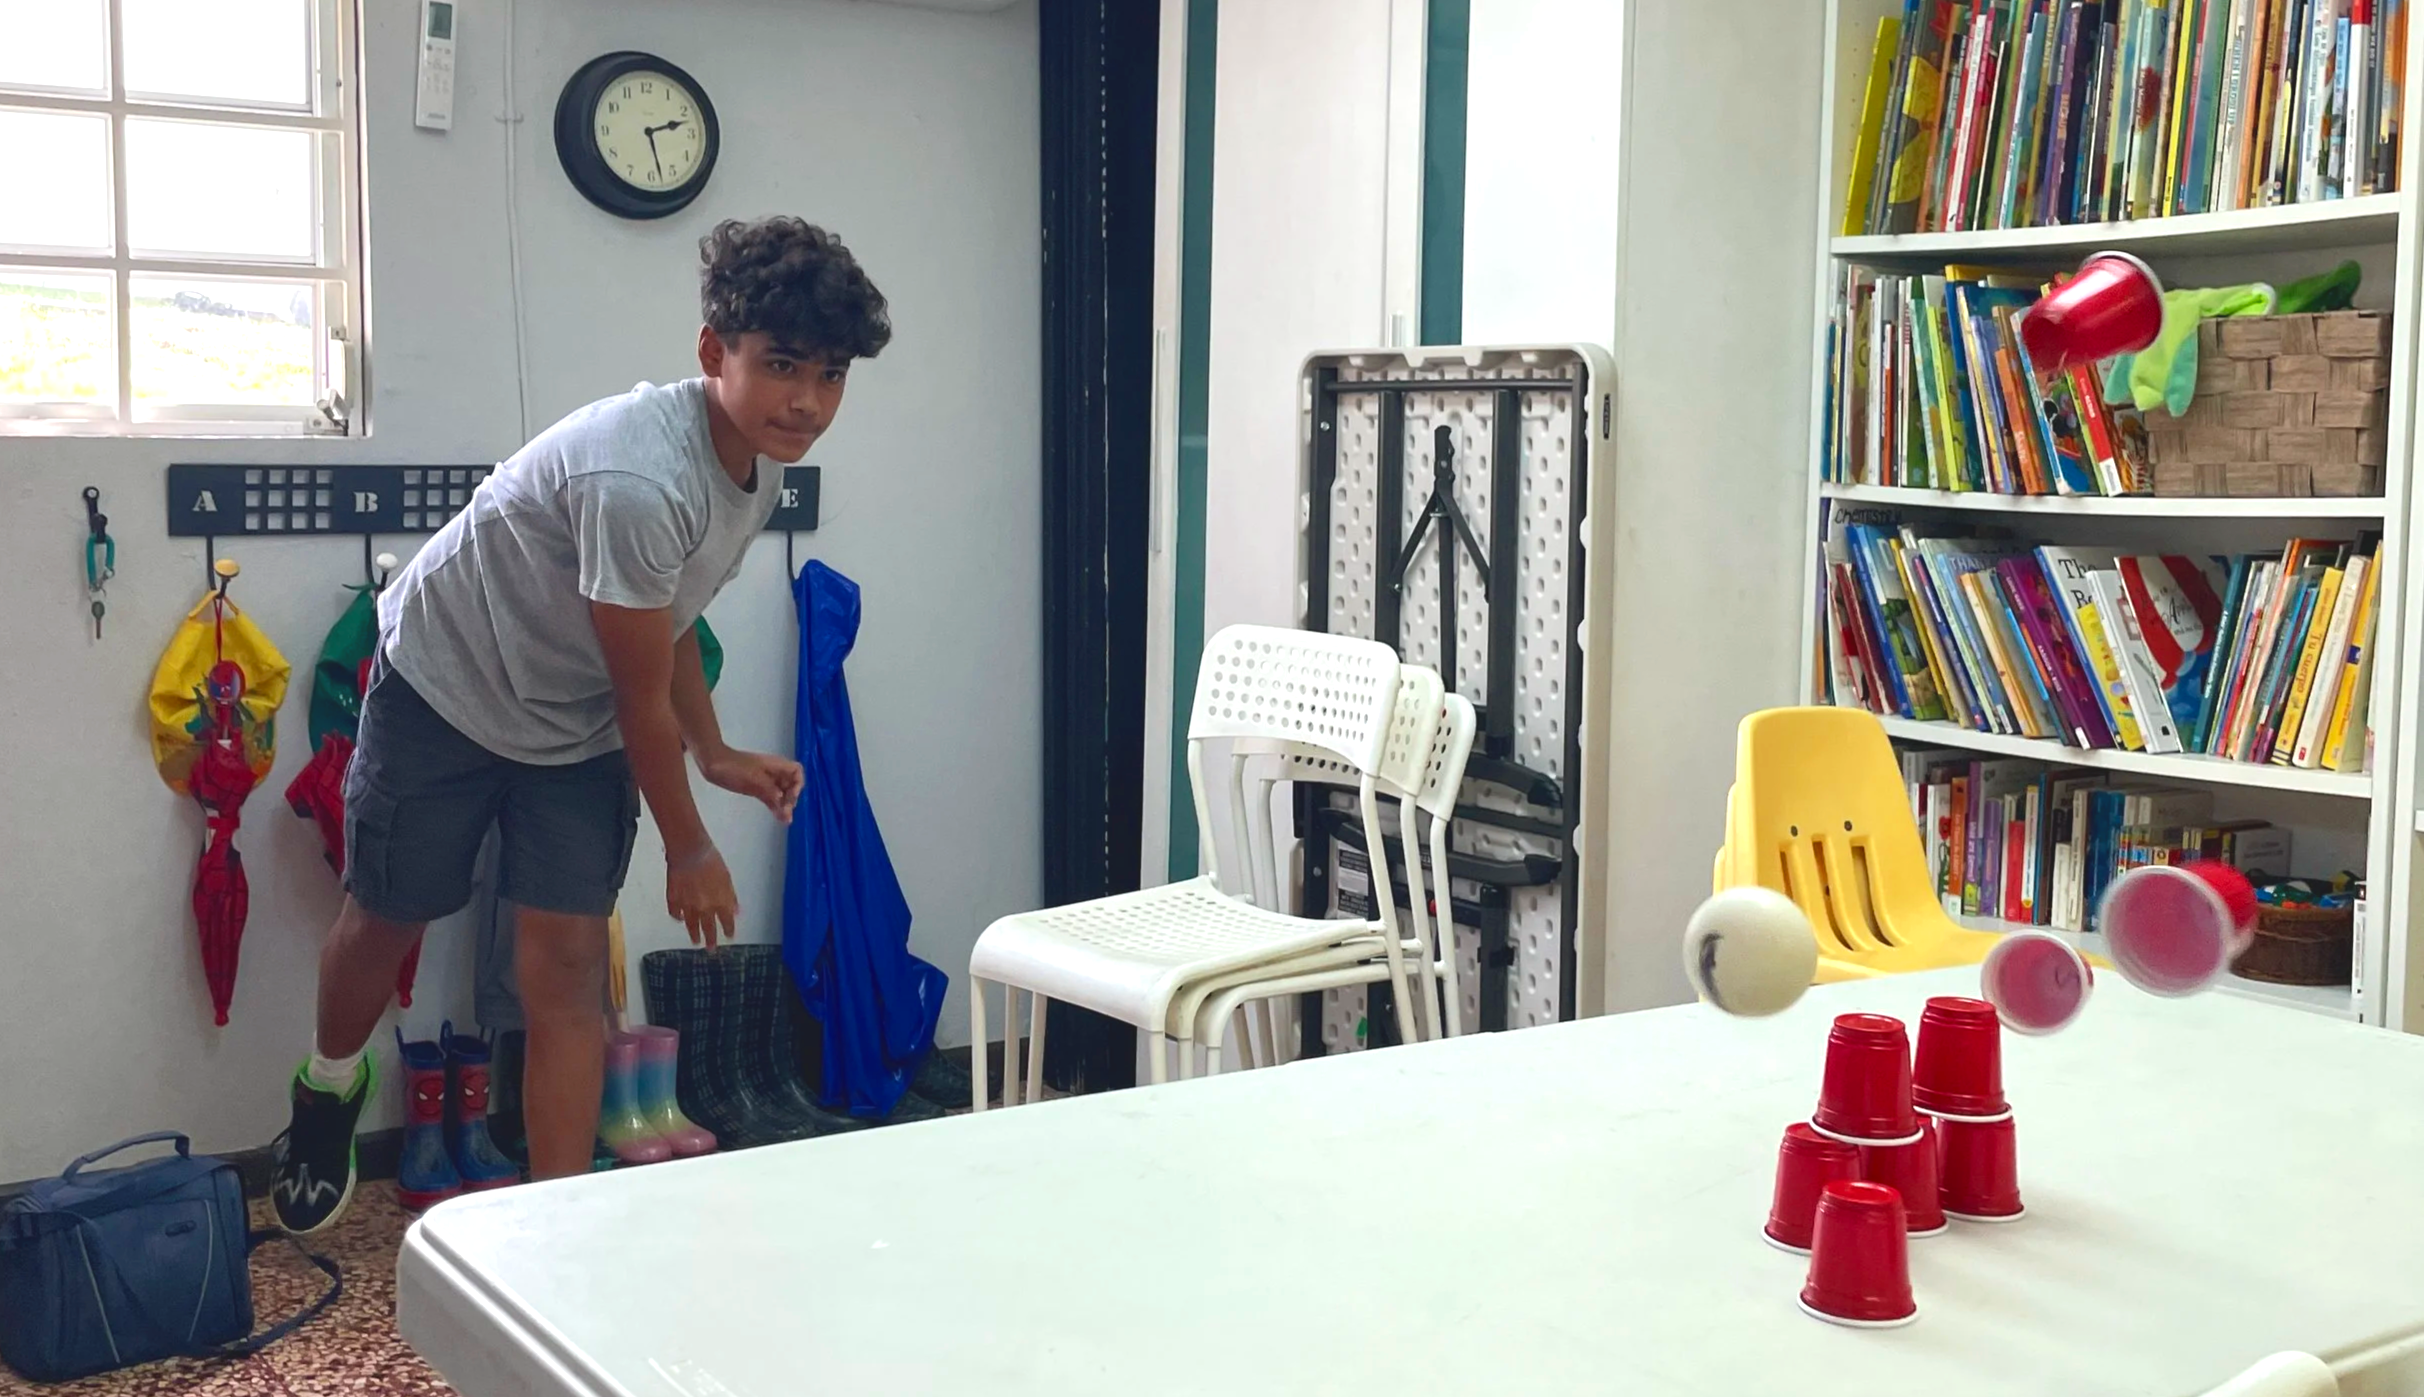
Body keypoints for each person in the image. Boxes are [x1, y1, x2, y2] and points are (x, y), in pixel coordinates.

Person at [270, 217, 892, 1233]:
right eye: (782, 365)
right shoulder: (638, 477)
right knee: (389, 913)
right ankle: (328, 1084)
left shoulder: (759, 466)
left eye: (831, 375)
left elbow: (669, 623)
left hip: (573, 726)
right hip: (447, 686)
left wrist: (714, 751)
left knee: (563, 969)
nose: (807, 402)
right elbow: (638, 692)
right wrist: (689, 846)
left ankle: (554, 1230)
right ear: (713, 352)